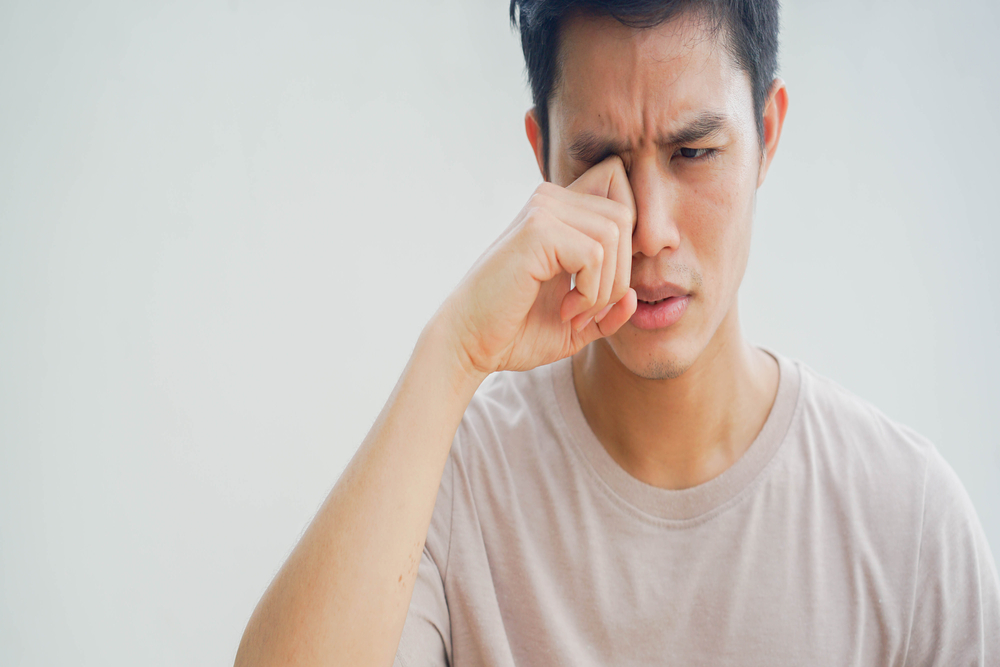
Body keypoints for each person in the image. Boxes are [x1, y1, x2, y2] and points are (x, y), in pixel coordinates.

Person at [235, 0, 1000, 665]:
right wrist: (453, 352)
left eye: (694, 152)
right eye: (600, 158)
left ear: (766, 131)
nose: (651, 230)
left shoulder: (908, 520)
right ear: (543, 156)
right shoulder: (453, 484)